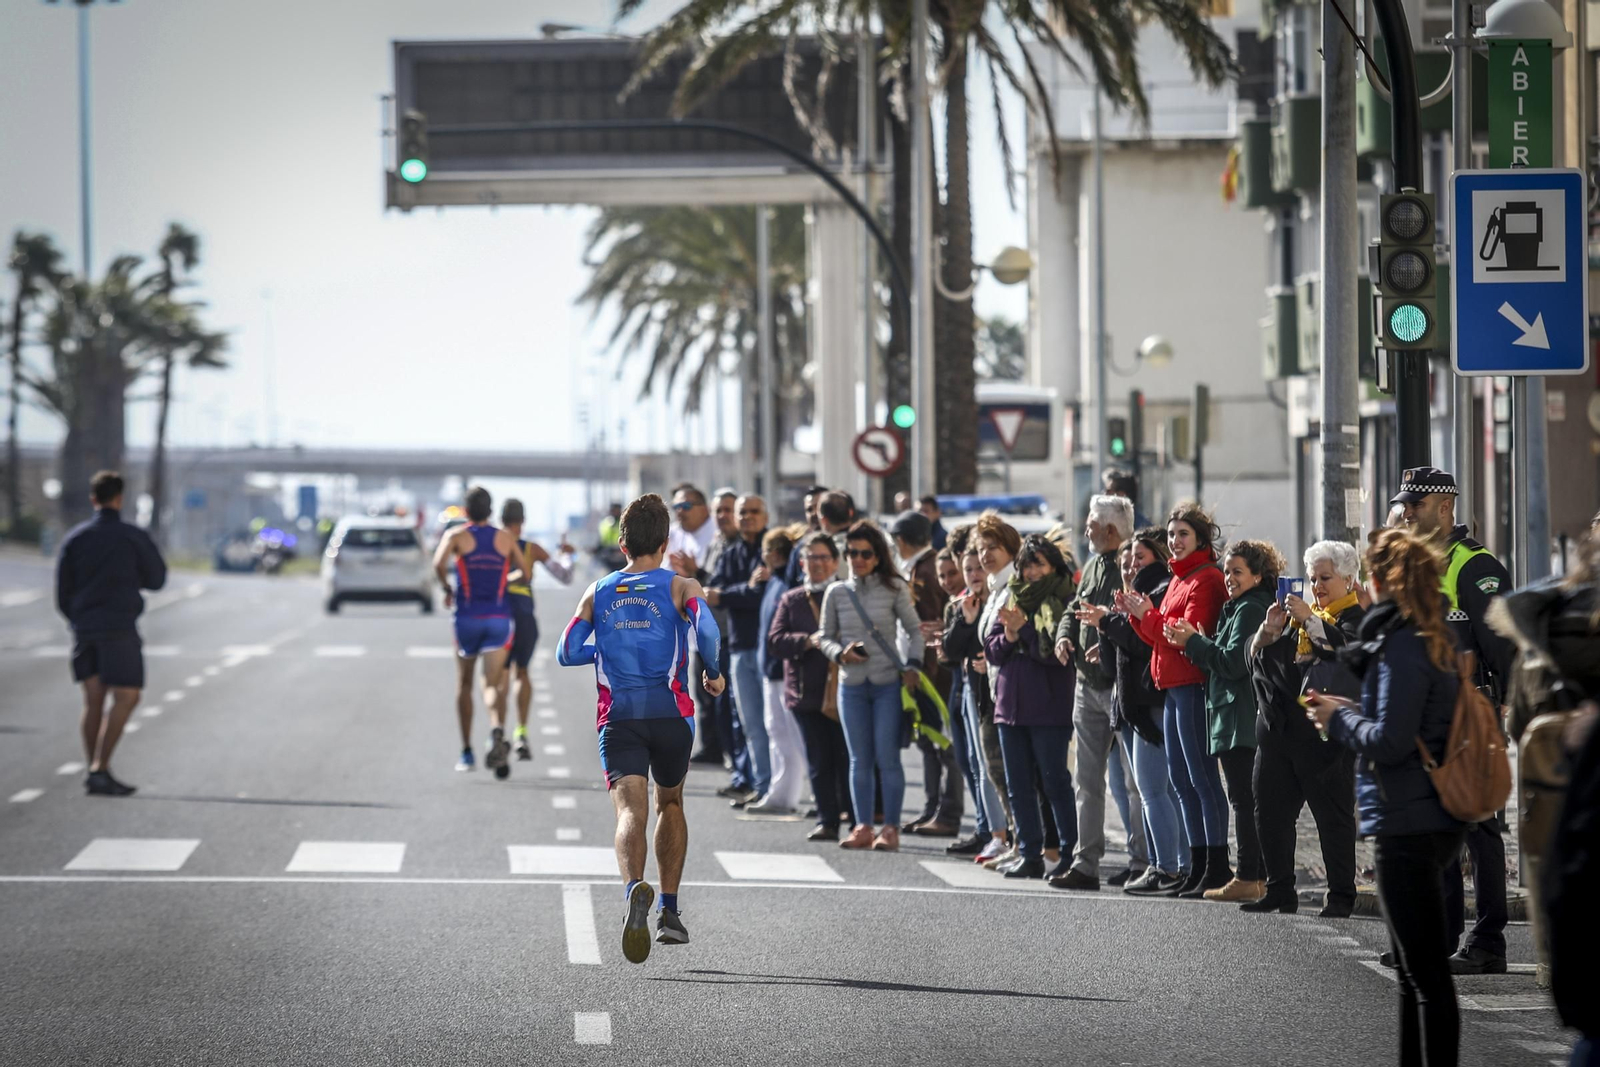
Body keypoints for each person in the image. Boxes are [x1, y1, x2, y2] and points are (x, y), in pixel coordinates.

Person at [1306, 528, 1465, 1067]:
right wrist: (1353, 710)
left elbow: (1393, 740)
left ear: (1380, 580)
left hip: (1406, 818)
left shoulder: (1403, 643)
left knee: (1423, 975)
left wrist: (1340, 718)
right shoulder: (1430, 632)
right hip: (1428, 812)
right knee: (1414, 972)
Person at [557, 493, 725, 963]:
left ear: (622, 543)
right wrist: (713, 673)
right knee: (670, 802)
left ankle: (634, 887)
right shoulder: (681, 586)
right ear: (665, 542)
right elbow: (708, 631)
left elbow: (566, 651)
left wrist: (603, 650)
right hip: (672, 715)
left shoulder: (598, 590)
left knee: (629, 810)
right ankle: (669, 910)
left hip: (620, 718)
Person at [1395, 465, 1515, 975]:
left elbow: (1503, 645)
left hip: (1469, 712)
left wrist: (1505, 705)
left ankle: (1488, 941)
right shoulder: (1416, 564)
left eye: (1416, 505)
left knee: (1478, 826)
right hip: (1426, 713)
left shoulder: (1474, 566)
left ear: (1445, 507)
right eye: (1404, 505)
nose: (1406, 513)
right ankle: (1440, 939)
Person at [1246, 540, 1364, 917]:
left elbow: (1346, 649)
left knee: (1332, 816)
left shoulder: (1353, 617)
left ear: (1348, 579)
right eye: (1313, 579)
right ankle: (1279, 889)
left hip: (1323, 736)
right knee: (1270, 810)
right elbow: (1254, 660)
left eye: (1325, 578)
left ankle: (1341, 895)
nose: (1317, 586)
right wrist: (1268, 632)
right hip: (1279, 731)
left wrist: (1309, 620)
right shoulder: (1299, 619)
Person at [1166, 538, 1281, 902]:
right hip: (1233, 714)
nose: (1229, 578)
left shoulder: (1249, 608)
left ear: (1258, 576)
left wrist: (1193, 642)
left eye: (1237, 572)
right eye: (1227, 571)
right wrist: (1200, 643)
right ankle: (1256, 876)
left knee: (1244, 799)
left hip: (1240, 716)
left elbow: (1233, 663)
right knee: (1247, 798)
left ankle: (1248, 875)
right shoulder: (1240, 606)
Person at [1126, 502, 1229, 895]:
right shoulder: (1178, 577)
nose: (1174, 541)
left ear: (1201, 539)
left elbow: (1185, 635)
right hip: (1172, 687)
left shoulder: (1206, 578)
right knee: (1182, 782)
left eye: (1183, 534)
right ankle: (1195, 865)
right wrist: (1140, 615)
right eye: (1171, 534)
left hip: (1192, 685)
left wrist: (1148, 616)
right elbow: (1160, 635)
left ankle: (1215, 865)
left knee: (1202, 779)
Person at [54, 470, 167, 797]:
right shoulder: (133, 536)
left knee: (93, 701)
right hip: (119, 628)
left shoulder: (75, 538)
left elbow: (62, 592)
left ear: (94, 499)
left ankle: (96, 771)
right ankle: (99, 768)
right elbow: (157, 579)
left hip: (85, 629)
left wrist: (78, 619)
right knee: (127, 696)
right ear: (120, 498)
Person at [1090, 531, 1188, 895]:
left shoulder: (1160, 590)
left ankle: (1169, 867)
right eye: (1128, 559)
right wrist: (1104, 627)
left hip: (1150, 703)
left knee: (1155, 791)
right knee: (1154, 791)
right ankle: (1172, 865)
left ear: (1158, 558)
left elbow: (1145, 644)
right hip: (1129, 705)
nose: (1132, 565)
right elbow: (1113, 662)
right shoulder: (1129, 597)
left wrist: (1108, 622)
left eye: (1140, 558)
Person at [1055, 494, 1145, 890]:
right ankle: (1085, 863)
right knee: (1087, 781)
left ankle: (1143, 862)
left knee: (1134, 782)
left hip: (1119, 687)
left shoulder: (1133, 565)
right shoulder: (1092, 564)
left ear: (1109, 530)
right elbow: (1073, 607)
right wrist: (1064, 636)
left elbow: (1130, 618)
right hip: (1086, 685)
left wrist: (1106, 637)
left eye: (1091, 523)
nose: (1085, 529)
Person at [817, 520, 923, 851]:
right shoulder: (836, 592)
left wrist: (914, 665)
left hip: (887, 683)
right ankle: (862, 826)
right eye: (852, 553)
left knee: (887, 757)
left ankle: (890, 828)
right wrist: (840, 653)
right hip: (851, 685)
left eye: (865, 554)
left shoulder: (894, 587)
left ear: (877, 557)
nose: (858, 559)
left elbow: (915, 630)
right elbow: (824, 636)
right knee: (858, 759)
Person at [987, 535, 1079, 880]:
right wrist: (1009, 637)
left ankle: (1070, 853)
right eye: (1026, 565)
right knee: (1018, 785)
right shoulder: (1013, 595)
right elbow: (992, 648)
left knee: (1055, 783)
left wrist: (1023, 631)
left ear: (1054, 566)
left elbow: (1054, 654)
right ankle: (1029, 853)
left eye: (1038, 563)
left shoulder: (1065, 598)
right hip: (1009, 707)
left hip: (1049, 707)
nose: (1031, 571)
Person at [433, 485, 528, 778]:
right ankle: (497, 727)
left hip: (467, 617)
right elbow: (524, 572)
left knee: (464, 683)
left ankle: (467, 752)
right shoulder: (505, 538)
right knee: (492, 683)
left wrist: (448, 588)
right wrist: (504, 581)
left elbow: (438, 564)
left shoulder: (456, 536)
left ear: (466, 510)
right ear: (490, 510)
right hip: (498, 618)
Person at [768, 532, 851, 841]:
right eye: (811, 557)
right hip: (806, 693)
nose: (817, 564)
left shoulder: (847, 594)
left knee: (847, 757)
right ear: (801, 563)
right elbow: (775, 640)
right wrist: (807, 641)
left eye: (823, 557)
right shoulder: (792, 599)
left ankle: (857, 819)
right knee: (818, 759)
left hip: (845, 689)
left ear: (836, 562)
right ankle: (827, 820)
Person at [891, 509, 960, 836]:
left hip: (933, 675)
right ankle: (932, 808)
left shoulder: (927, 571)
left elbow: (930, 629)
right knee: (929, 743)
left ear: (901, 540)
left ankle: (948, 813)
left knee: (944, 745)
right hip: (923, 671)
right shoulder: (919, 568)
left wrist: (923, 674)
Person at [499, 498, 575, 761]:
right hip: (524, 615)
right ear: (522, 521)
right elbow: (564, 575)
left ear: (501, 520)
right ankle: (521, 731)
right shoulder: (531, 549)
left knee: (500, 676)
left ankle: (498, 731)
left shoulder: (494, 546)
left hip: (498, 615)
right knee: (522, 672)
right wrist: (568, 555)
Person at [708, 494, 771, 807]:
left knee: (775, 723)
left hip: (769, 648)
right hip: (739, 645)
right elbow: (712, 593)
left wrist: (732, 594)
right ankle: (756, 783)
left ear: (765, 516)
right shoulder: (731, 553)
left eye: (754, 512)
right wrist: (745, 589)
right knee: (747, 722)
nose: (748, 517)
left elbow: (762, 595)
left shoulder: (772, 548)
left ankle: (775, 786)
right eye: (742, 512)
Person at [750, 527, 807, 814]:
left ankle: (818, 796)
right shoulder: (773, 581)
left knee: (797, 735)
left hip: (784, 670)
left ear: (773, 554)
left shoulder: (787, 583)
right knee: (777, 733)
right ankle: (781, 794)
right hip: (770, 669)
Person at [667, 484, 722, 766]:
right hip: (684, 631)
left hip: (714, 627)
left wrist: (693, 571)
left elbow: (712, 581)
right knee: (699, 692)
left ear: (704, 508)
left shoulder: (715, 534)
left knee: (717, 688)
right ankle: (711, 747)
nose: (680, 512)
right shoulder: (674, 535)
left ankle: (722, 748)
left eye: (686, 506)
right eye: (676, 506)